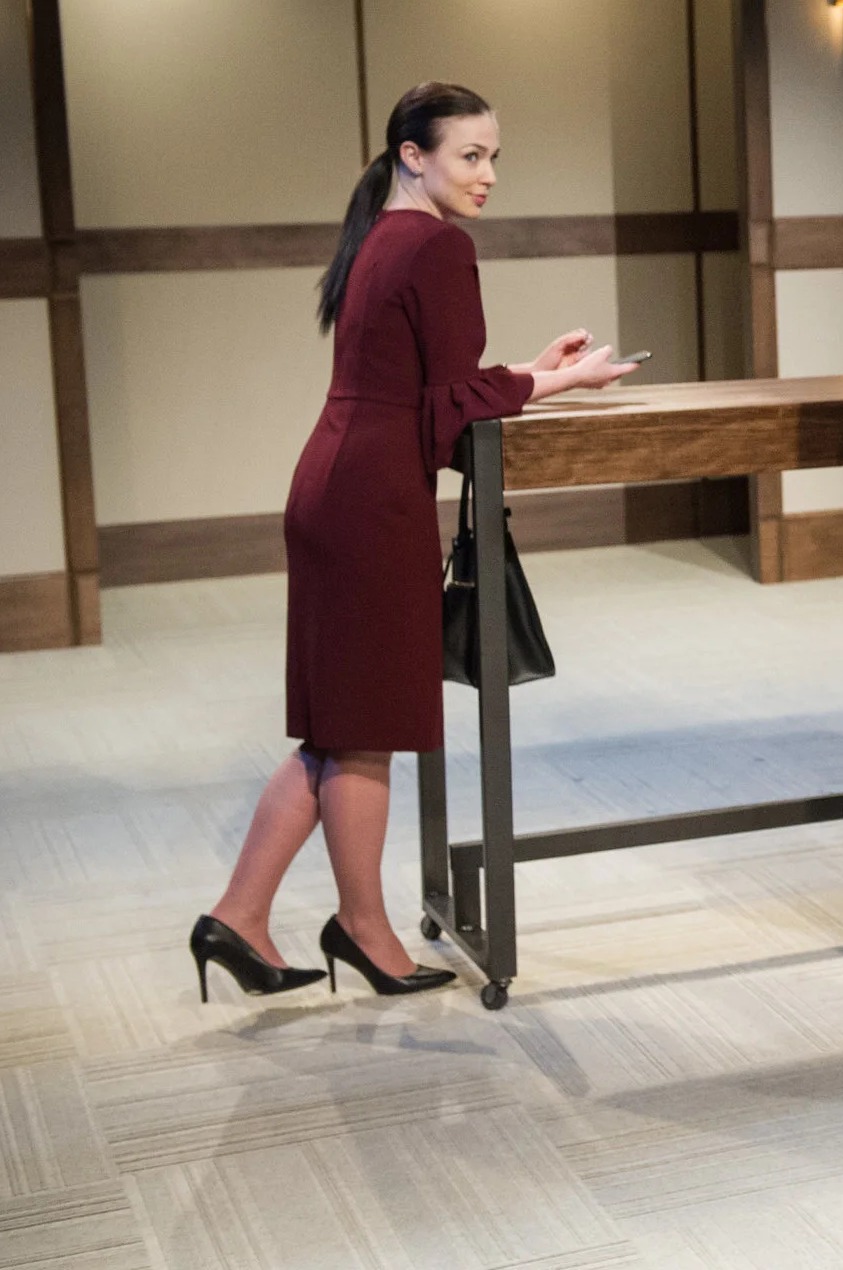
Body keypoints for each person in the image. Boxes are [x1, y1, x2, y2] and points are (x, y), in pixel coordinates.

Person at [191, 83, 637, 1003]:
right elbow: (443, 411)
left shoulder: (380, 237)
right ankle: (358, 929)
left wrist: (528, 372)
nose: (488, 174)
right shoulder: (437, 245)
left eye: (494, 156)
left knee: (341, 729)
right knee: (365, 731)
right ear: (412, 155)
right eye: (470, 155)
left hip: (335, 483)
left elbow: (427, 385)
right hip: (373, 503)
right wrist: (561, 383)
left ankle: (244, 917)